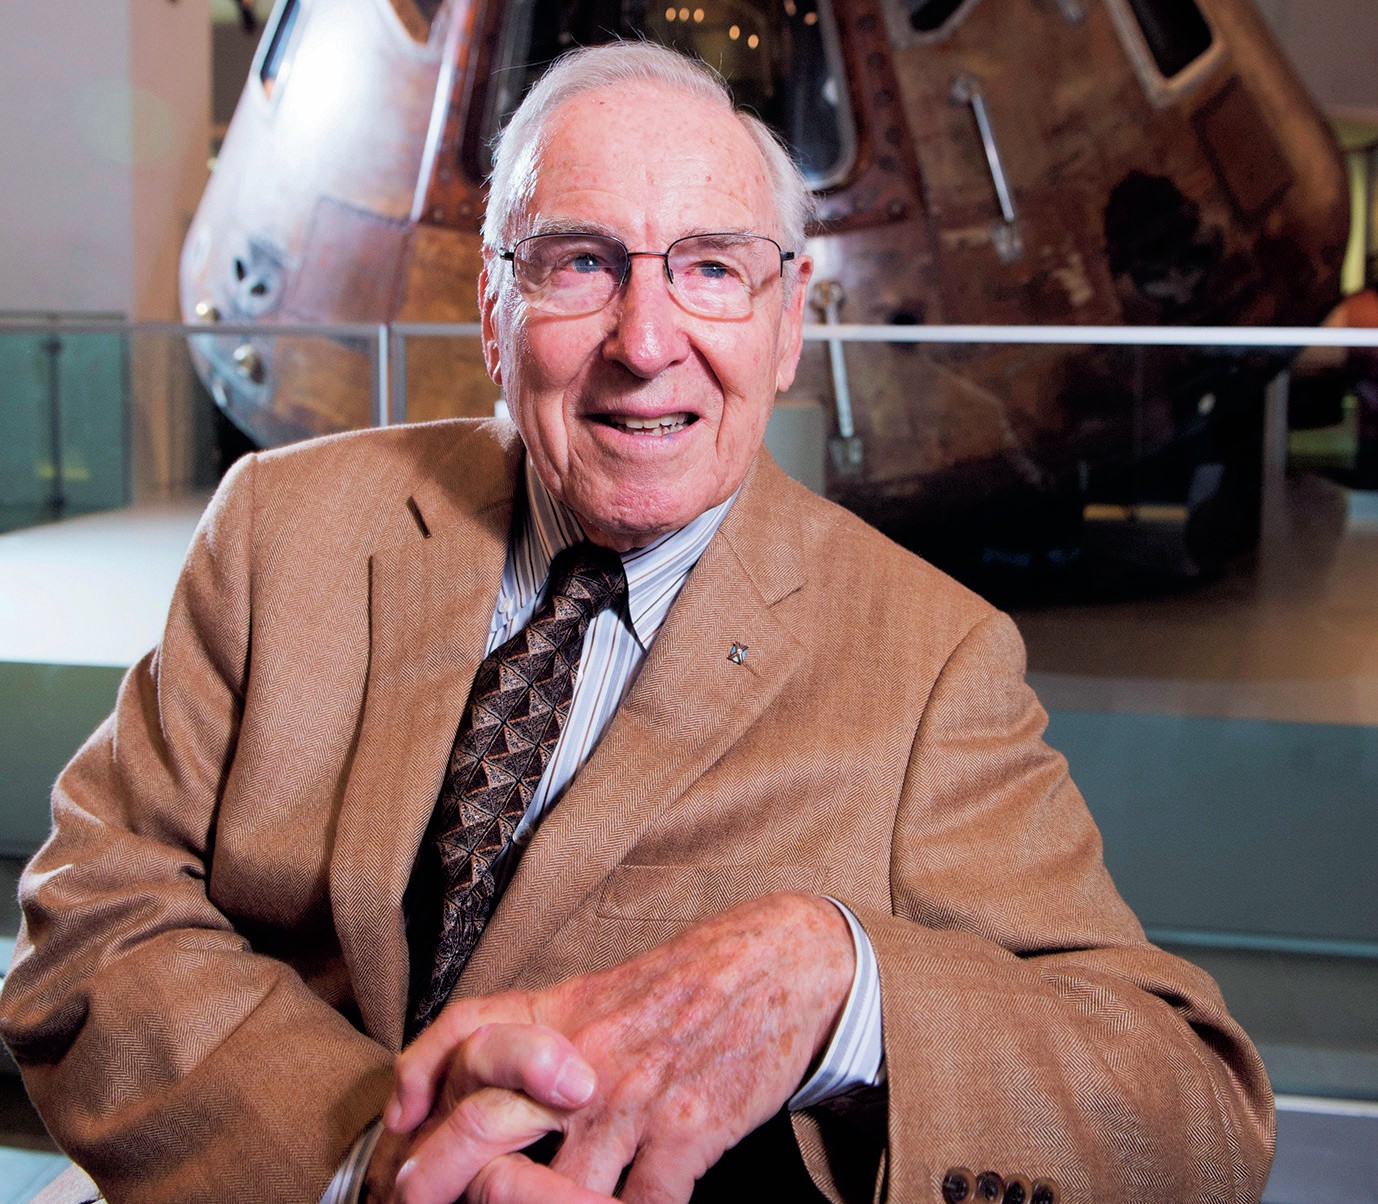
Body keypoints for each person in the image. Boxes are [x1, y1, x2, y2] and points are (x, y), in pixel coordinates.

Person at [0, 42, 1273, 1204]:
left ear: (787, 322)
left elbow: (1194, 1112)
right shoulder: (282, 530)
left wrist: (842, 984)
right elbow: (93, 917)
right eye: (581, 263)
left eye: (712, 268)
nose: (646, 340)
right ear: (493, 312)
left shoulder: (929, 661)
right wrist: (363, 1162)